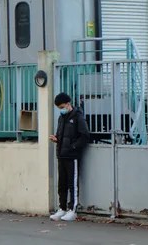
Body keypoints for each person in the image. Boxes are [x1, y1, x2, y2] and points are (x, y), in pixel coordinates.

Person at [49, 92, 90, 222]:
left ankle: (72, 210)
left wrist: (73, 147)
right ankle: (61, 208)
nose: (61, 110)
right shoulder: (61, 118)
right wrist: (56, 139)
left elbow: (84, 136)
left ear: (68, 104)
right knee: (62, 184)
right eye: (59, 108)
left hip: (72, 156)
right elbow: (60, 135)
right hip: (61, 155)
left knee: (73, 184)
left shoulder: (78, 117)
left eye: (62, 107)